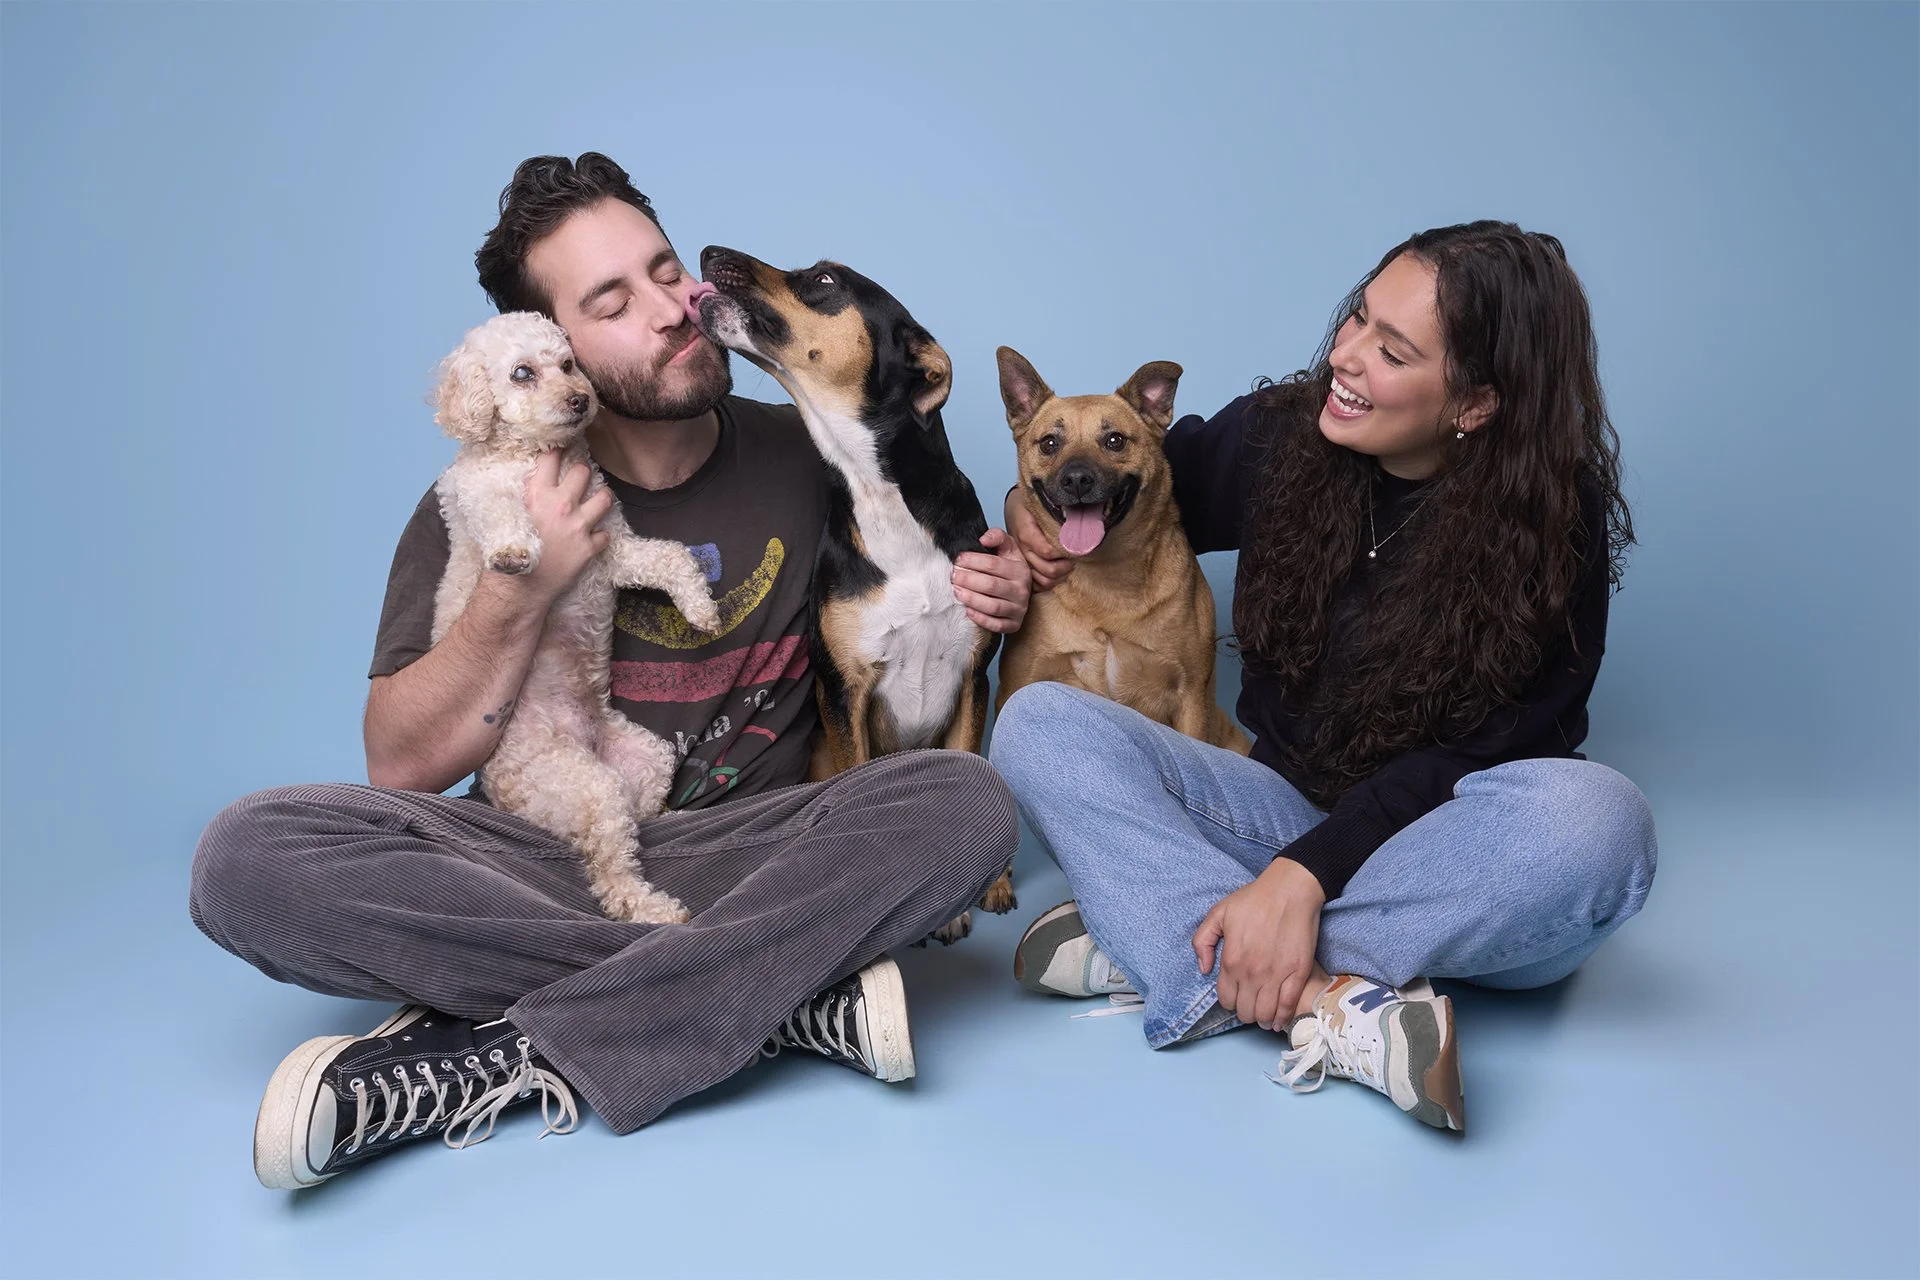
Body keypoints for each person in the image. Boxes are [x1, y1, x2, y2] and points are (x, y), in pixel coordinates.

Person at [189, 153, 1033, 1188]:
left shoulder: (807, 444)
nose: (675, 308)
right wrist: (520, 589)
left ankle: (498, 1053)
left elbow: (939, 546)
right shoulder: (482, 499)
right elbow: (401, 765)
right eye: (611, 302)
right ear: (559, 350)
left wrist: (995, 585)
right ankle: (779, 989)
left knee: (969, 802)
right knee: (245, 856)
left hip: (761, 851)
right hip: (556, 863)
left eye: (664, 268)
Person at [991, 222, 1656, 1132]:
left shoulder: (1552, 520)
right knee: (1035, 722)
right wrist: (1020, 515)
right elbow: (1104, 471)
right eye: (1357, 318)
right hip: (1273, 812)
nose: (1344, 355)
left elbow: (1494, 749)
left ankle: (1173, 937)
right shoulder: (1284, 434)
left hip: (1442, 851)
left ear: (1477, 401)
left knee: (1599, 826)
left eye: (1391, 349)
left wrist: (1304, 881)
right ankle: (1326, 1000)